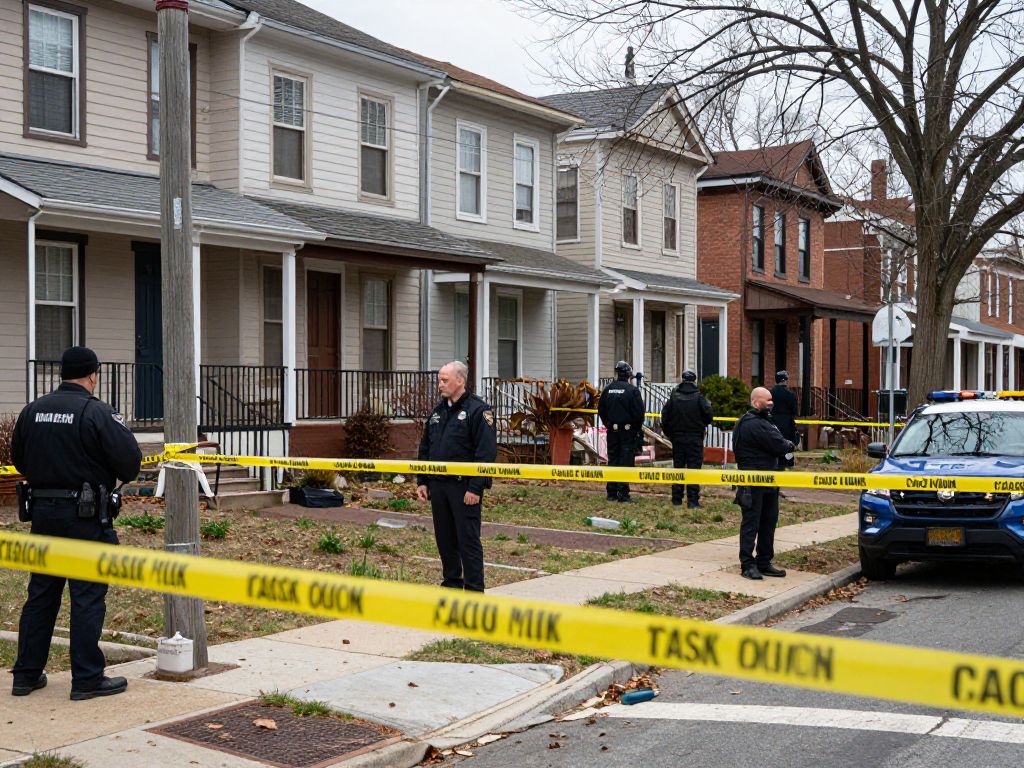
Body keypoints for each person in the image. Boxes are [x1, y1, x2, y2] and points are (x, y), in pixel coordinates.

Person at [11, 346, 142, 700]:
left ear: (62, 374)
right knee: (86, 596)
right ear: (93, 374)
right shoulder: (96, 412)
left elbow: (18, 459)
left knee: (41, 595)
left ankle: (25, 675)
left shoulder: (33, 410)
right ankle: (86, 678)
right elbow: (130, 464)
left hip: (42, 514)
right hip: (84, 518)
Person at [416, 361, 497, 592]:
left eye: (444, 380)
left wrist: (476, 488)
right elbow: (426, 447)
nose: (439, 385)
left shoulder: (478, 411)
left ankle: (473, 590)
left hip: (464, 488)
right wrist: (422, 480)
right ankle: (451, 584)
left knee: (468, 541)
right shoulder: (437, 412)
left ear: (460, 380)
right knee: (445, 540)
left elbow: (486, 453)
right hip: (439, 487)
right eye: (439, 380)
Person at [731, 386, 795, 581]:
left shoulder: (762, 421)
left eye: (772, 401)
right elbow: (780, 445)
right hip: (752, 482)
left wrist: (786, 446)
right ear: (756, 402)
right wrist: (788, 445)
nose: (771, 404)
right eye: (768, 402)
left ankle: (764, 562)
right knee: (752, 523)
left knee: (768, 522)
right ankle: (748, 565)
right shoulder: (753, 423)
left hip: (768, 480)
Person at [661, 370, 713, 508]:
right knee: (694, 469)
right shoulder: (699, 397)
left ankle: (676, 499)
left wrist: (670, 434)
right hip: (695, 438)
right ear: (694, 380)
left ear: (682, 380)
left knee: (678, 468)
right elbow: (709, 416)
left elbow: (665, 418)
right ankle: (693, 501)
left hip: (677, 438)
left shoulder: (673, 398)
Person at [598, 361, 645, 502]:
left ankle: (611, 493)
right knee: (625, 461)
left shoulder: (608, 390)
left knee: (612, 460)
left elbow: (601, 411)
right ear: (629, 374)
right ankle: (623, 494)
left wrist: (609, 425)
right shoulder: (632, 391)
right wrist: (635, 430)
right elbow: (639, 414)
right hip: (627, 432)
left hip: (612, 431)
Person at [770, 370, 799, 469]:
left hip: (772, 422)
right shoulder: (789, 394)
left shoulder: (770, 393)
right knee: (788, 445)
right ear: (785, 380)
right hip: (786, 423)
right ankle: (788, 463)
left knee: (774, 442)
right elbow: (795, 410)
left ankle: (775, 462)